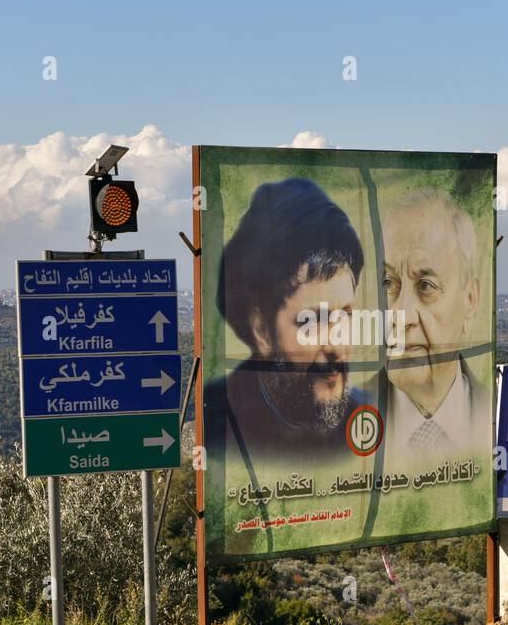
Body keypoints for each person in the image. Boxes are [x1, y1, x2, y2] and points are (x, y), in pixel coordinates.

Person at [204, 178, 368, 464]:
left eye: (345, 317)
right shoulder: (219, 425)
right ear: (262, 331)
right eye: (311, 322)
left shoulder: (371, 415)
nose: (336, 346)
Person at [380, 188, 488, 464]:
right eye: (389, 283)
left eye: (426, 286)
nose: (400, 315)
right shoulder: (332, 427)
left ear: (470, 300)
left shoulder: (498, 418)